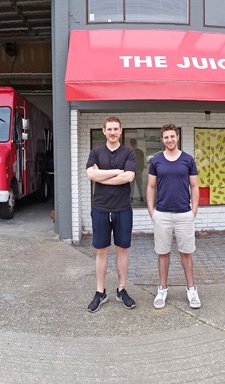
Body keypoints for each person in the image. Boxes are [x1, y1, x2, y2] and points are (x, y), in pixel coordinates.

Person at [86, 116, 137, 313]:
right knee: (101, 251)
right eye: (110, 129)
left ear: (121, 131)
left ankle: (122, 289)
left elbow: (129, 177)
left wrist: (102, 175)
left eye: (116, 129)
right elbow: (90, 174)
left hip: (123, 209)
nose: (113, 132)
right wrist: (117, 172)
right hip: (100, 208)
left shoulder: (129, 152)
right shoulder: (96, 151)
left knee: (123, 249)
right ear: (104, 131)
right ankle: (100, 292)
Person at [146, 123, 201, 309]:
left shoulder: (188, 159)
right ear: (162, 140)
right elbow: (151, 186)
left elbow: (194, 186)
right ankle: (162, 289)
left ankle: (191, 289)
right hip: (162, 214)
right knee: (163, 254)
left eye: (172, 136)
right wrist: (151, 211)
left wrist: (194, 210)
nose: (169, 140)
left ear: (177, 137)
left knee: (186, 253)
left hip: (184, 213)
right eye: (166, 137)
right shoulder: (156, 161)